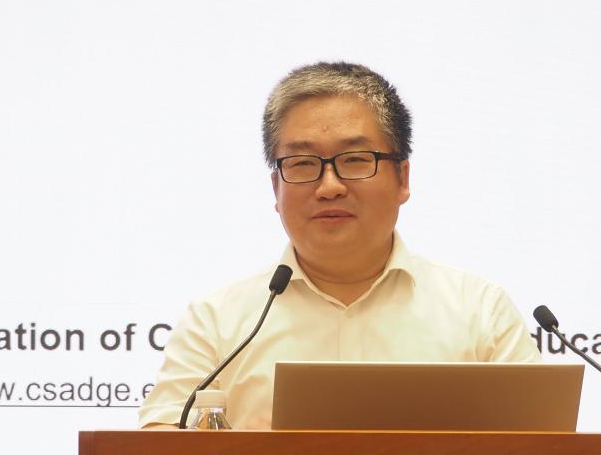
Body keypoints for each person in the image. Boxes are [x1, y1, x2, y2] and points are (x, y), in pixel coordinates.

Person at [139, 61, 538, 430]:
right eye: (302, 163)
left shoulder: (479, 312)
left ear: (402, 178)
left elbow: (546, 452)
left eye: (355, 159)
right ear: (276, 188)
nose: (329, 186)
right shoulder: (217, 322)